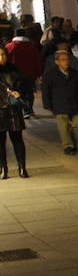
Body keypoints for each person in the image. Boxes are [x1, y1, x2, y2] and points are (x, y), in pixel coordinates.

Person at [42, 49, 78, 155]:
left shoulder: (75, 73)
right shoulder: (50, 74)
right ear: (57, 62)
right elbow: (46, 90)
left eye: (67, 59)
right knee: (63, 127)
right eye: (62, 60)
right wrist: (47, 104)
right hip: (59, 104)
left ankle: (73, 144)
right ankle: (68, 146)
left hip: (74, 103)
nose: (66, 62)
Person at [0, 46, 30, 177]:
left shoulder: (14, 70)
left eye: (3, 54)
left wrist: (19, 93)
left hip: (13, 109)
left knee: (17, 140)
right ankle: (2, 168)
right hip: (0, 110)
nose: (2, 58)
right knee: (0, 142)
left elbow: (24, 86)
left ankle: (22, 167)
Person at [4, 28, 42, 117]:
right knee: (29, 92)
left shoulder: (9, 46)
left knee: (16, 92)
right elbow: (37, 60)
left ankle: (18, 109)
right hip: (29, 73)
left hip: (14, 75)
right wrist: (38, 73)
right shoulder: (32, 46)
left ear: (14, 35)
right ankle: (28, 110)